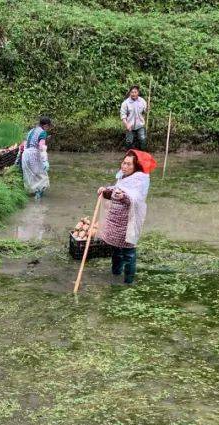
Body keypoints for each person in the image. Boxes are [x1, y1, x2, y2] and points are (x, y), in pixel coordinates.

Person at [97, 149, 156, 285]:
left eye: (129, 164)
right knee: (116, 250)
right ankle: (116, 274)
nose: (125, 166)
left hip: (128, 222)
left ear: (135, 167)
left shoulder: (140, 180)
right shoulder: (122, 178)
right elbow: (113, 193)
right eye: (124, 163)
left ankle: (128, 282)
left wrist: (123, 197)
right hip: (116, 222)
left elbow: (136, 199)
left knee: (129, 253)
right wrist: (104, 191)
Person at [19, 116, 52, 200]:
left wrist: (19, 157)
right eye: (48, 126)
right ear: (45, 125)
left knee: (31, 175)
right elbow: (41, 146)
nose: (48, 128)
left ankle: (32, 194)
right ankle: (38, 197)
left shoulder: (31, 131)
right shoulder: (43, 132)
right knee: (42, 175)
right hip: (34, 154)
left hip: (25, 154)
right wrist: (45, 160)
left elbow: (23, 145)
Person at [120, 86, 148, 150]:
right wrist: (126, 125)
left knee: (143, 139)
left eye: (135, 92)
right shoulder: (125, 103)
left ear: (138, 93)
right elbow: (123, 116)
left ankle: (142, 154)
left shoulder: (142, 101)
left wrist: (147, 110)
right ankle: (129, 155)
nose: (133, 94)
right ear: (130, 93)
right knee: (129, 141)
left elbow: (145, 111)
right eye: (132, 92)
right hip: (130, 125)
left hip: (140, 125)